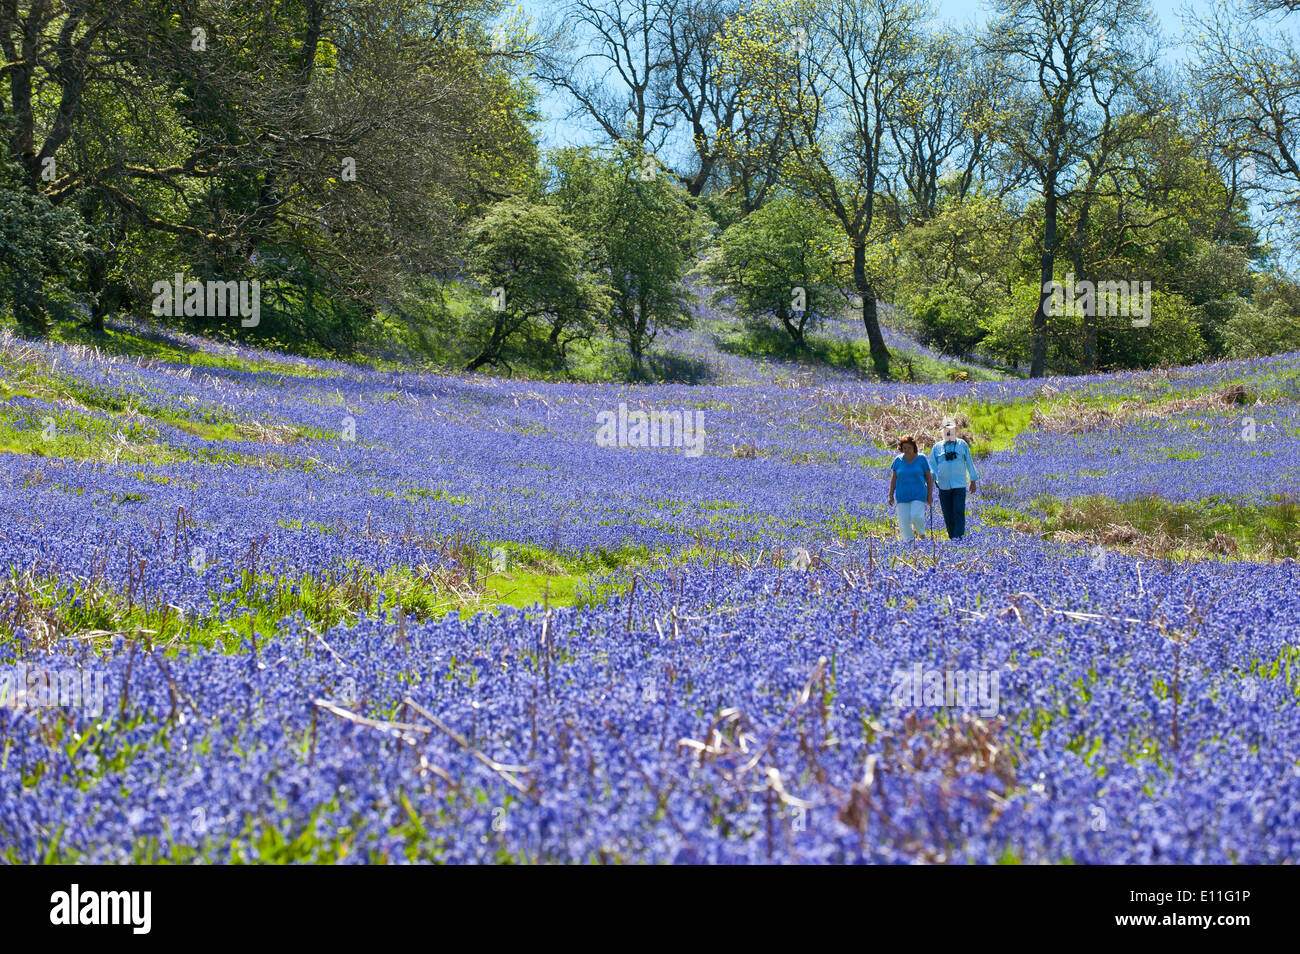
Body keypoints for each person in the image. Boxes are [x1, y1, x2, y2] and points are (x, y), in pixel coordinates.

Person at [929, 418, 979, 540]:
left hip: (959, 484)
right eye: (946, 430)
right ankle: (953, 537)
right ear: (942, 432)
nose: (948, 433)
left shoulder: (962, 444)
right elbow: (932, 466)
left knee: (958, 511)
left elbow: (969, 462)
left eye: (950, 430)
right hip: (943, 485)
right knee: (947, 513)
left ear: (954, 431)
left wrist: (973, 480)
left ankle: (959, 538)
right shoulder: (937, 447)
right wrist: (931, 483)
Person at [888, 435, 934, 543]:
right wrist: (890, 495)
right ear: (901, 448)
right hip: (902, 495)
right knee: (904, 522)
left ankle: (922, 536)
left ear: (914, 447)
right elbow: (894, 478)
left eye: (909, 447)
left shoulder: (921, 459)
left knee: (916, 516)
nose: (907, 450)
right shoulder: (898, 461)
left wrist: (930, 494)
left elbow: (929, 477)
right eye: (904, 448)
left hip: (918, 494)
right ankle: (909, 544)